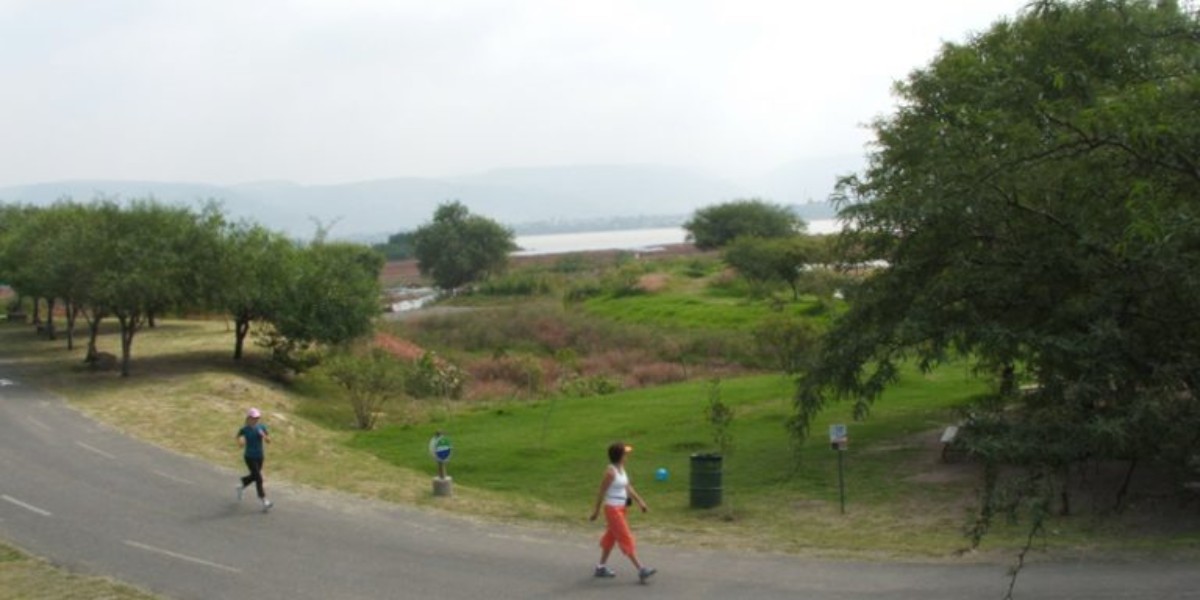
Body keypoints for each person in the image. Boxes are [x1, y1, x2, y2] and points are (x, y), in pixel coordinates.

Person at [589, 442, 656, 583]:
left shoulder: (621, 468)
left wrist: (640, 502)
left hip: (621, 508)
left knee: (611, 537)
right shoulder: (610, 472)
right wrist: (595, 511)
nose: (627, 456)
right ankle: (641, 569)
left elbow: (627, 487)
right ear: (619, 456)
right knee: (625, 536)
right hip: (613, 509)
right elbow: (601, 491)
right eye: (625, 454)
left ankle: (600, 567)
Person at [236, 407, 273, 512]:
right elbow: (239, 438)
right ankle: (264, 500)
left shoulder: (262, 427)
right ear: (248, 418)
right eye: (253, 418)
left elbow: (269, 440)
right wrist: (241, 442)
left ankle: (242, 485)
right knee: (259, 478)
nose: (255, 419)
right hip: (249, 457)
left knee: (254, 476)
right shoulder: (244, 429)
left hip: (260, 456)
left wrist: (264, 436)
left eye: (257, 417)